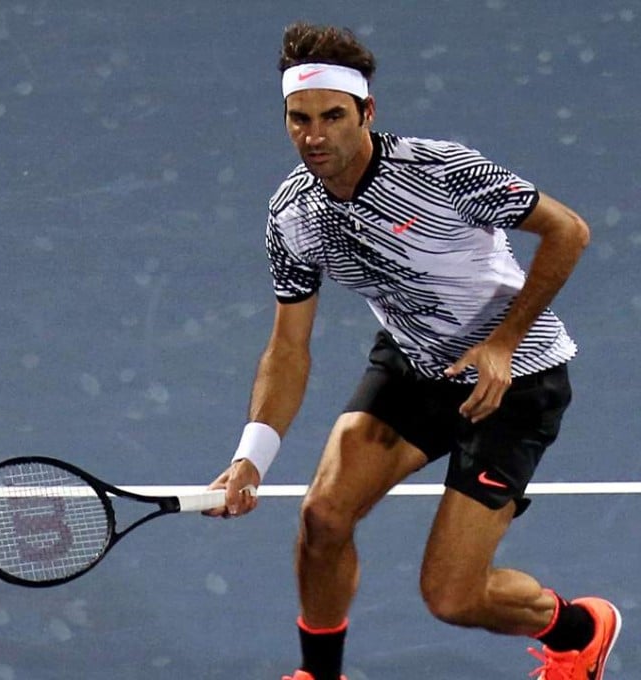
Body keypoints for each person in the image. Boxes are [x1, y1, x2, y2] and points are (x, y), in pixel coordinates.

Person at [206, 21, 620, 680]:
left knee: (453, 598)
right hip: (415, 366)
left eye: (333, 116)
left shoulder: (441, 170)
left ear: (366, 112)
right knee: (322, 518)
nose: (314, 136)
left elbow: (567, 230)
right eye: (299, 119)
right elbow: (288, 348)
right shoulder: (293, 214)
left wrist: (502, 343)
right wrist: (250, 458)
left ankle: (580, 629)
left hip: (514, 382)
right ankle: (321, 673)